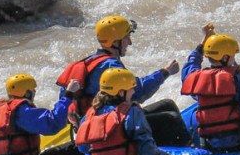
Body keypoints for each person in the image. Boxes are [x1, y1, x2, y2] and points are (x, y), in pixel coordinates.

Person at [56, 14, 190, 145]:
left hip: (96, 122)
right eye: (127, 38)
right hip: (107, 129)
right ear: (115, 42)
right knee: (170, 118)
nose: (130, 42)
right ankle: (193, 153)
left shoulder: (91, 61)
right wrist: (165, 73)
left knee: (167, 104)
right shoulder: (110, 67)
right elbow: (138, 93)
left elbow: (65, 95)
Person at [75, 68, 177, 155]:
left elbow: (84, 149)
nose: (133, 91)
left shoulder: (88, 118)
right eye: (131, 88)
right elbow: (146, 149)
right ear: (121, 93)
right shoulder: (131, 113)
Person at [180, 23, 240, 152]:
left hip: (209, 145)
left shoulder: (197, 78)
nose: (234, 58)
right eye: (233, 56)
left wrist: (203, 45)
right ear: (225, 57)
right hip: (237, 146)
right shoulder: (236, 80)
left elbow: (189, 67)